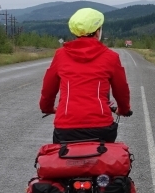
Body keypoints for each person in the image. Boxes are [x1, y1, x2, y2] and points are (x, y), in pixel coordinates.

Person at [40, 8, 132, 143]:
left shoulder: (60, 55)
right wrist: (123, 109)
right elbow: (121, 90)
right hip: (101, 127)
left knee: (63, 160)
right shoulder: (111, 57)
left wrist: (47, 108)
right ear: (97, 31)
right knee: (105, 159)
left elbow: (48, 89)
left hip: (66, 128)